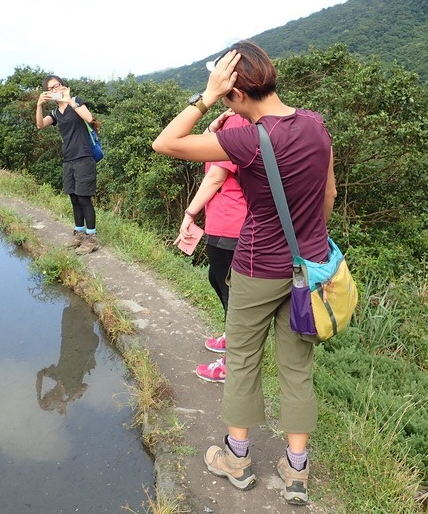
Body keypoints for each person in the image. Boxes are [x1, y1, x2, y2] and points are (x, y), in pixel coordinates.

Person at [152, 41, 336, 507]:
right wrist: (310, 238)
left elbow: (166, 143)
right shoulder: (315, 125)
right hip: (308, 268)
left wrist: (204, 97)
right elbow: (328, 193)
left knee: (243, 361)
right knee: (297, 370)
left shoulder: (248, 139)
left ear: (234, 93)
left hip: (257, 268)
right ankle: (297, 471)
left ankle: (237, 459)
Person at [175, 109, 249, 383]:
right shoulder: (235, 121)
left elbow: (215, 176)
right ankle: (232, 339)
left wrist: (189, 214)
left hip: (232, 224)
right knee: (216, 280)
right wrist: (212, 127)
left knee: (233, 296)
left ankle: (232, 364)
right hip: (224, 222)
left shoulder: (239, 122)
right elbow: (203, 151)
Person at [36, 75, 100, 255]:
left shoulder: (76, 102)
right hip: (68, 159)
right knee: (73, 198)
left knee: (84, 198)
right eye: (52, 88)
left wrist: (70, 100)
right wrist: (39, 105)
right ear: (48, 93)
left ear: (64, 86)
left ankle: (91, 238)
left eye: (58, 85)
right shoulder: (55, 113)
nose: (56, 89)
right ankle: (79, 233)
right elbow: (40, 125)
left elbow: (89, 118)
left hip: (84, 157)